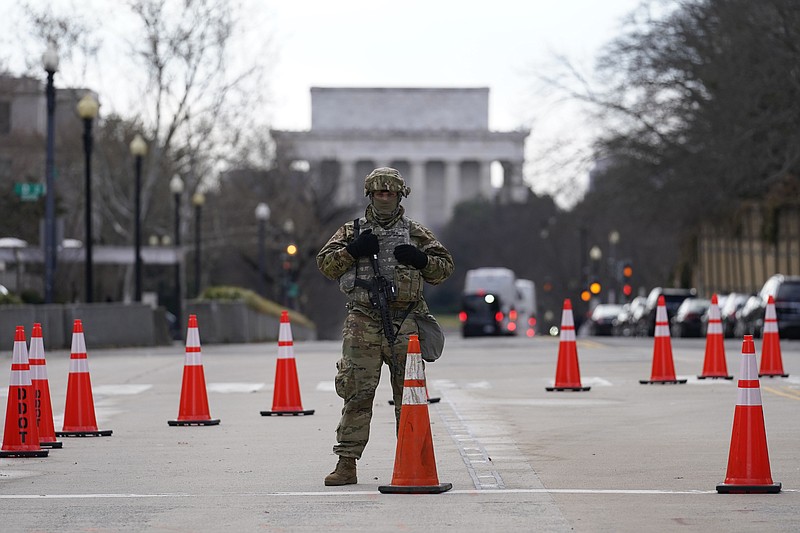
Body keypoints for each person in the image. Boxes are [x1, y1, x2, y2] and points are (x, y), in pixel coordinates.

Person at [316, 167, 454, 486]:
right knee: (356, 392)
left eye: (390, 193)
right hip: (363, 319)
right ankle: (346, 463)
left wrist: (421, 260)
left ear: (400, 195)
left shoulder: (415, 232)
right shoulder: (352, 230)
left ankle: (412, 460)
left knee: (409, 396)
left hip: (404, 319)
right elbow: (325, 264)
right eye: (379, 193)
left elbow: (444, 268)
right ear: (370, 195)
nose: (384, 198)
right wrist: (353, 251)